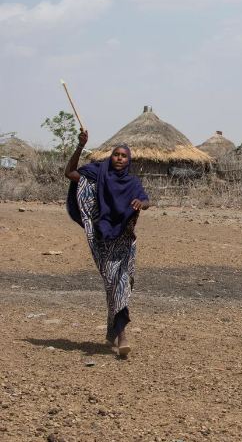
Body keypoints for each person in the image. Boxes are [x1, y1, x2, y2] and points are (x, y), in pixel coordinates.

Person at [64, 130, 150, 357]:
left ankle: (118, 334)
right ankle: (121, 336)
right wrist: (80, 146)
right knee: (113, 286)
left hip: (124, 241)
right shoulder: (98, 175)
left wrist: (141, 203)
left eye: (124, 155)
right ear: (110, 157)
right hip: (103, 241)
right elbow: (70, 172)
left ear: (128, 159)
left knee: (122, 284)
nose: (120, 158)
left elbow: (147, 200)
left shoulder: (132, 182)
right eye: (116, 155)